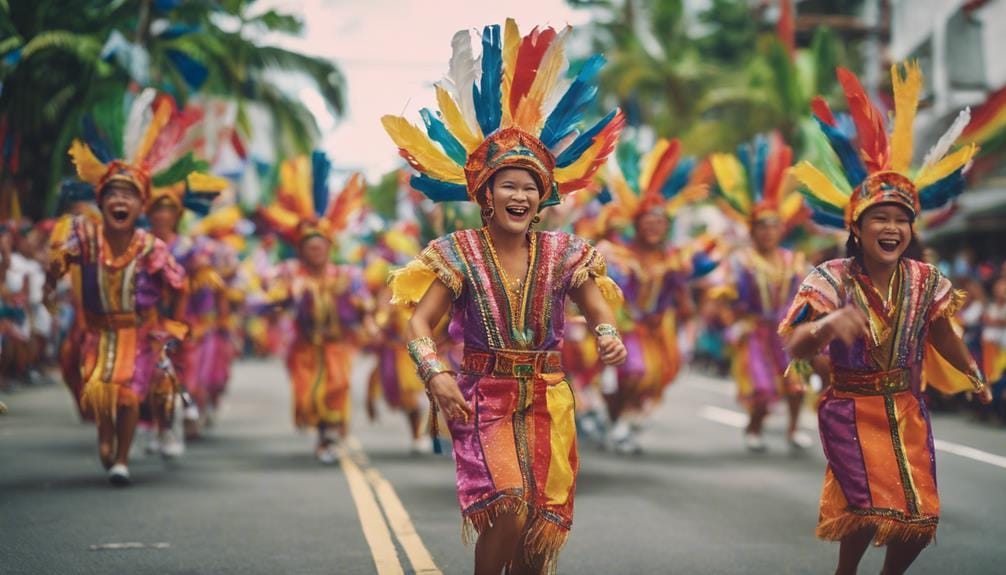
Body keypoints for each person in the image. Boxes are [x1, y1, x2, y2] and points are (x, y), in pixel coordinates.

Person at [385, 19, 627, 574]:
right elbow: (419, 323)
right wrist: (437, 375)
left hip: (548, 396)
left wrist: (608, 332)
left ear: (542, 198)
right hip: (484, 397)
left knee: (539, 526)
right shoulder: (458, 250)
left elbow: (594, 303)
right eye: (507, 184)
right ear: (485, 195)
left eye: (529, 186)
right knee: (509, 504)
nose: (519, 194)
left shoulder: (566, 251)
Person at [783, 63, 993, 574]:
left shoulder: (925, 280)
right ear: (857, 229)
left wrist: (973, 373)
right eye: (881, 218)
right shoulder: (831, 277)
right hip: (849, 408)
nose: (893, 227)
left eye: (902, 220)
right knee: (865, 507)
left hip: (905, 406)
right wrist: (828, 328)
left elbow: (941, 332)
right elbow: (794, 345)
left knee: (919, 518)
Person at [46, 89, 205, 485]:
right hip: (97, 333)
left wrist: (172, 320)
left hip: (138, 331)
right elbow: (58, 264)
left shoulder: (151, 246)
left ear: (140, 207)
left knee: (132, 395)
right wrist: (53, 273)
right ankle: (106, 440)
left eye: (129, 195)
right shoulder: (84, 237)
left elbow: (178, 283)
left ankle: (121, 458)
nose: (120, 199)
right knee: (101, 392)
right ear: (101, 203)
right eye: (113, 194)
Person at [594, 139, 713, 453]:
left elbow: (681, 294)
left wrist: (688, 324)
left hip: (658, 330)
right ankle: (617, 419)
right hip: (625, 327)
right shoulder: (618, 255)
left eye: (659, 222)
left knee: (645, 377)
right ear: (636, 225)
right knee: (628, 375)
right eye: (647, 222)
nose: (653, 227)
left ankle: (623, 423)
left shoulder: (674, 258)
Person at [259, 155, 376, 463]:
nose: (316, 251)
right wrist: (281, 298)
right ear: (301, 249)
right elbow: (267, 294)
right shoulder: (289, 272)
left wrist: (366, 315)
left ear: (329, 248)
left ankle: (327, 437)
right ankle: (323, 433)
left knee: (335, 389)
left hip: (337, 344)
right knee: (307, 393)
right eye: (310, 247)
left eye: (320, 246)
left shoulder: (346, 275)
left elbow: (364, 300)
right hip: (304, 347)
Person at [709, 132, 813, 452]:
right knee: (762, 385)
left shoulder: (796, 261)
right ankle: (754, 428)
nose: (768, 232)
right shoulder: (740, 261)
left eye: (773, 226)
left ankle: (793, 430)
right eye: (762, 227)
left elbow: (810, 295)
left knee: (796, 384)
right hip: (754, 331)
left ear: (782, 229)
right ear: (752, 230)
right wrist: (733, 322)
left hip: (789, 332)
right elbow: (723, 298)